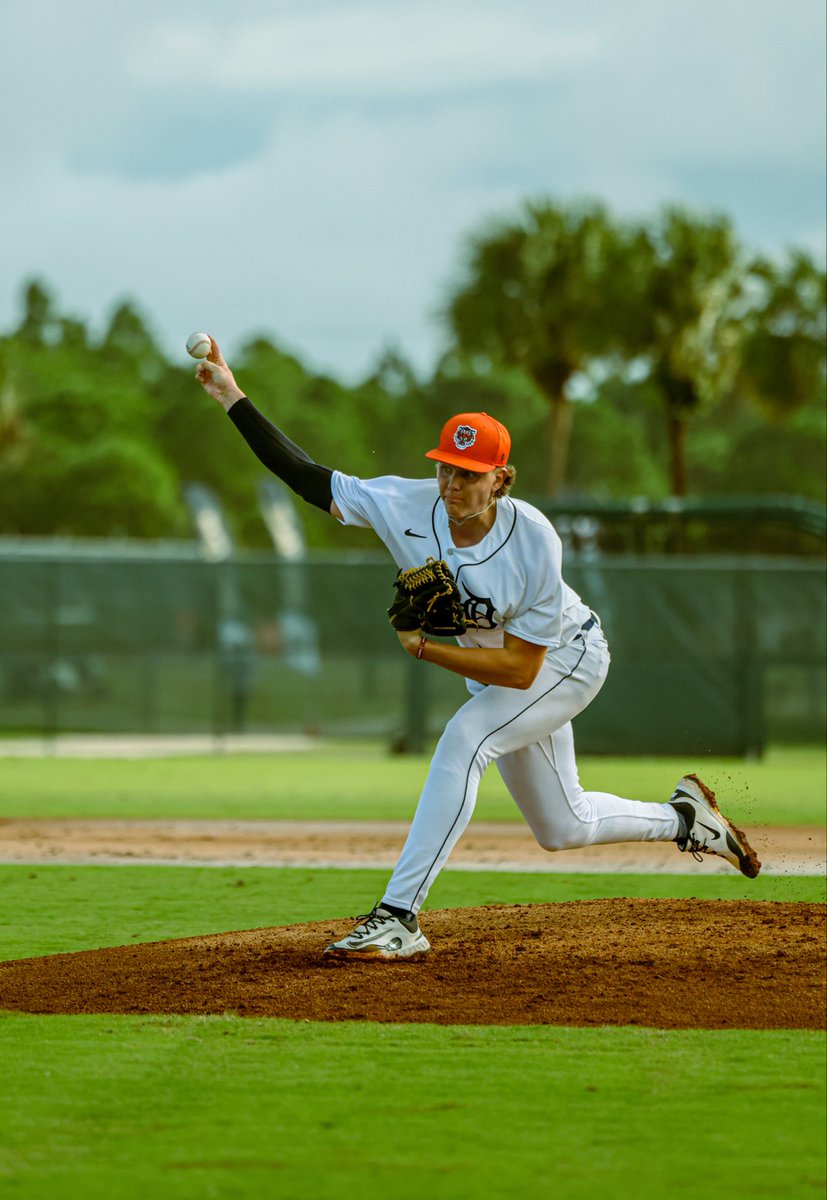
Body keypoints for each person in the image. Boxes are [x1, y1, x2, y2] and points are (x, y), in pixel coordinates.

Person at [195, 338, 761, 959]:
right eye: (445, 467)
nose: (453, 482)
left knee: (468, 739)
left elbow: (522, 669)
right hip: (504, 675)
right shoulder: (404, 504)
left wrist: (423, 649)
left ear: (501, 479)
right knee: (561, 826)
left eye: (469, 474)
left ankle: (399, 917)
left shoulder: (534, 539)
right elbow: (307, 478)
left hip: (567, 659)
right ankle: (685, 819)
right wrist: (234, 398)